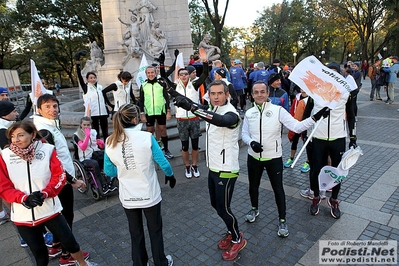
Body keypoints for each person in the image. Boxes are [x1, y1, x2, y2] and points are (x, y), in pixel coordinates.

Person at [0, 120, 97, 266]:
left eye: (20, 135)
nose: (16, 140)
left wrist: (45, 193)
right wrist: (23, 198)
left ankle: (83, 264)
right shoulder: (5, 155)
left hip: (49, 209)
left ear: (32, 134)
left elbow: (59, 175)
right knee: (39, 254)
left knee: (70, 243)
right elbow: (3, 186)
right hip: (23, 214)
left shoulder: (47, 149)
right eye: (13, 136)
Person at [241, 81, 329, 237]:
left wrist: (315, 117)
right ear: (252, 95)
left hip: (273, 158)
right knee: (253, 186)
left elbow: (297, 126)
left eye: (263, 91)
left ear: (268, 93)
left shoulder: (278, 110)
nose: (259, 95)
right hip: (253, 157)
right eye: (256, 92)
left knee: (278, 190)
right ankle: (254, 209)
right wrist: (251, 142)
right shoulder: (249, 113)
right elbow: (244, 134)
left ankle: (282, 219)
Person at [174, 80, 247, 261]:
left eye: (220, 93)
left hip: (227, 169)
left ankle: (238, 238)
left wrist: (192, 108)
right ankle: (232, 231)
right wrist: (177, 94)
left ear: (227, 94)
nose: (216, 97)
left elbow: (222, 121)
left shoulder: (232, 114)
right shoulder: (212, 109)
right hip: (213, 167)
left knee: (224, 208)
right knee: (216, 205)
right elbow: (196, 105)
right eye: (212, 93)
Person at [104, 103, 175, 266]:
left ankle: (139, 263)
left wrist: (124, 170)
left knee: (135, 233)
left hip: (128, 196)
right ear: (135, 118)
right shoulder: (146, 137)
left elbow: (109, 171)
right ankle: (161, 262)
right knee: (155, 230)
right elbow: (163, 162)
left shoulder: (110, 141)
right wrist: (170, 175)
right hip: (149, 194)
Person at [33, 94, 89, 264]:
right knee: (66, 216)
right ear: (39, 110)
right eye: (48, 107)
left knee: (58, 213)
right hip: (60, 181)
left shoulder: (48, 125)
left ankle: (56, 244)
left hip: (58, 180)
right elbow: (54, 163)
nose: (53, 110)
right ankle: (67, 254)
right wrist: (73, 180)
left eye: (55, 106)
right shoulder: (44, 130)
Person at [305, 62, 357, 219]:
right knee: (315, 170)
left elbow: (352, 115)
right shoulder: (315, 92)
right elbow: (307, 113)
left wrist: (353, 137)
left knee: (337, 171)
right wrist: (305, 134)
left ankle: (334, 199)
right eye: (329, 74)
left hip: (338, 137)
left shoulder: (346, 93)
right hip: (318, 137)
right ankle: (315, 197)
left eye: (335, 74)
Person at [169, 57, 209, 178]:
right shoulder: (175, 87)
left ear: (189, 75)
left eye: (186, 74)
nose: (184, 76)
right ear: (179, 76)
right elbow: (164, 78)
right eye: (181, 74)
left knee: (195, 145)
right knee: (185, 146)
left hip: (194, 119)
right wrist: (161, 65)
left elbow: (205, 74)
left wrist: (205, 62)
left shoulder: (195, 84)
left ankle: (195, 165)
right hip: (182, 120)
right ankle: (187, 166)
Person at [73, 117, 117, 195]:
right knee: (95, 164)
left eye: (88, 125)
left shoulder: (94, 132)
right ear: (81, 125)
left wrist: (100, 143)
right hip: (85, 158)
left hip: (96, 154)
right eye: (84, 125)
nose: (86, 127)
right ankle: (103, 185)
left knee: (107, 158)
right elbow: (83, 147)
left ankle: (110, 182)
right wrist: (87, 136)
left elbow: (101, 146)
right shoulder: (77, 135)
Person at [138, 66, 174, 159]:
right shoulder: (143, 85)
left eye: (152, 72)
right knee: (149, 132)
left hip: (160, 111)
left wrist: (168, 111)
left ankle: (166, 150)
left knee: (163, 130)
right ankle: (150, 151)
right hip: (149, 112)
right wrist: (142, 113)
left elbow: (166, 98)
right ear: (146, 74)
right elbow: (141, 101)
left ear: (155, 73)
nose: (150, 74)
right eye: (148, 73)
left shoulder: (161, 83)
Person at [76, 55, 109, 140]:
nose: (93, 79)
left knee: (105, 131)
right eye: (91, 78)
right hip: (93, 113)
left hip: (103, 112)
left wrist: (108, 107)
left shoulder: (100, 87)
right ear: (87, 79)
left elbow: (104, 98)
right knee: (95, 131)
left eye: (94, 77)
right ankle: (97, 146)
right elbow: (79, 76)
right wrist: (78, 64)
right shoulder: (86, 87)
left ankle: (106, 145)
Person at [0, 101, 19, 225]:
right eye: (14, 111)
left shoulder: (5, 125)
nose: (17, 113)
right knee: (13, 201)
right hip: (6, 169)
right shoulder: (2, 130)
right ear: (5, 114)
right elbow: (10, 151)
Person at [284, 89, 311, 173]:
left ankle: (308, 161)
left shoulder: (311, 99)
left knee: (307, 144)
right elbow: (293, 110)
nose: (303, 90)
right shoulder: (296, 99)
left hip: (307, 125)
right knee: (294, 141)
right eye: (301, 87)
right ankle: (291, 158)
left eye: (304, 88)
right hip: (296, 124)